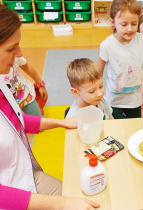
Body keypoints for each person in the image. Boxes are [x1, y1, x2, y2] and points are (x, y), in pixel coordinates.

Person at [0, 5, 100, 209]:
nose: (19, 54)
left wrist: (60, 122)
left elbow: (14, 121)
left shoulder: (3, 81)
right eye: (11, 49)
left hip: (23, 171)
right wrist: (60, 204)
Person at [97, 0, 143, 119]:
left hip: (135, 100)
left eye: (134, 24)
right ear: (113, 22)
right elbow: (97, 74)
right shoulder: (107, 45)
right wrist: (97, 97)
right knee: (114, 129)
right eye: (124, 24)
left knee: (135, 127)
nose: (129, 29)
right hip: (113, 101)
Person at [2, 32, 48, 116]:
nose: (19, 53)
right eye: (11, 48)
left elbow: (27, 67)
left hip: (25, 95)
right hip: (6, 105)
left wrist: (40, 84)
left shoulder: (14, 57)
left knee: (39, 120)